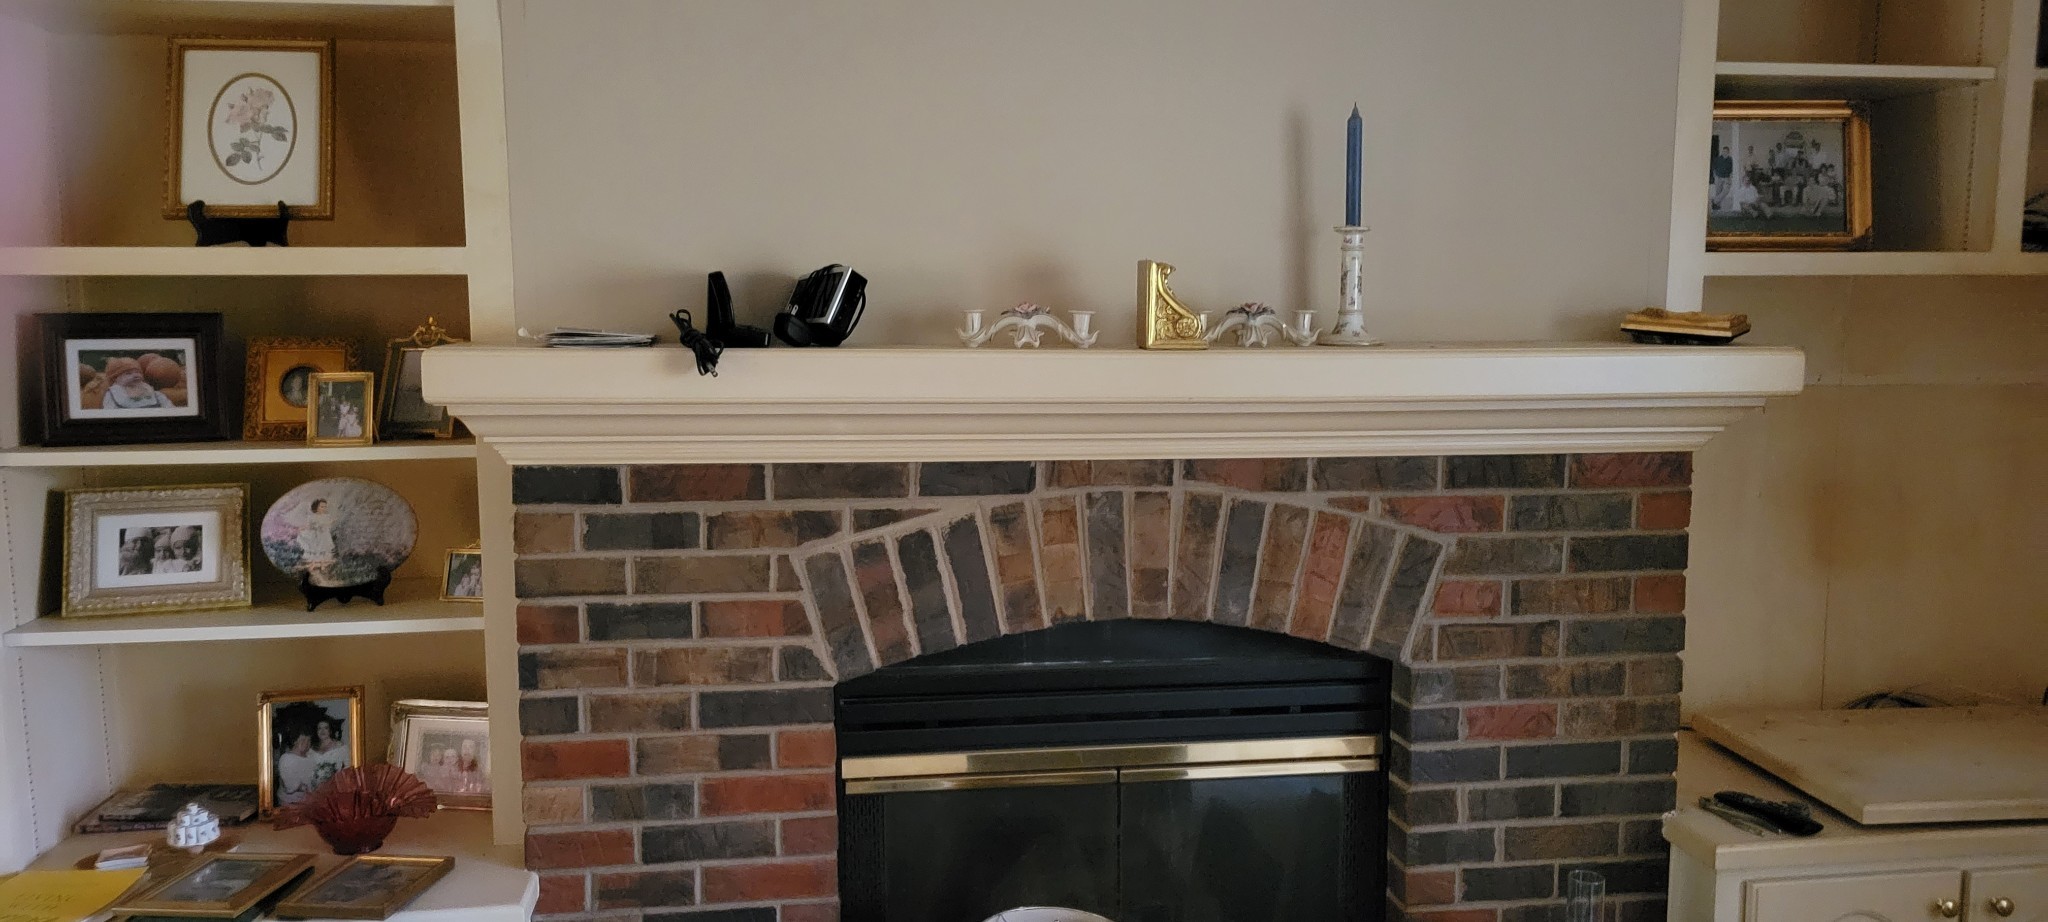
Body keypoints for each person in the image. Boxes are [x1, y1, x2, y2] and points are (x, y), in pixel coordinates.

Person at [100, 357, 174, 410]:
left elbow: (168, 406)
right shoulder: (114, 394)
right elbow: (109, 411)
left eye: (138, 372)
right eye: (128, 373)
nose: (135, 375)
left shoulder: (151, 391)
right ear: (116, 379)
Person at [275, 730, 320, 806]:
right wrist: (305, 788)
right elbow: (289, 786)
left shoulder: (311, 758)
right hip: (289, 803)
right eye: (302, 740)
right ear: (295, 741)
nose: (306, 743)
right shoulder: (286, 758)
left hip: (308, 803)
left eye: (308, 740)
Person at [311, 717, 350, 789]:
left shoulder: (340, 748)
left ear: (330, 731)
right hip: (316, 789)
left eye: (325, 728)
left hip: (334, 787)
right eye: (319, 728)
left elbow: (348, 768)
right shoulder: (311, 750)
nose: (322, 731)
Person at [297, 499, 335, 567]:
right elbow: (309, 526)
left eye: (325, 507)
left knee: (324, 548)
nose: (323, 508)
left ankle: (323, 563)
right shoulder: (312, 516)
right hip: (315, 535)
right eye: (321, 507)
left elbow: (328, 525)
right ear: (316, 507)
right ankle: (313, 563)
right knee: (315, 548)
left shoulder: (326, 516)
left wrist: (328, 523)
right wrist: (303, 528)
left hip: (324, 535)